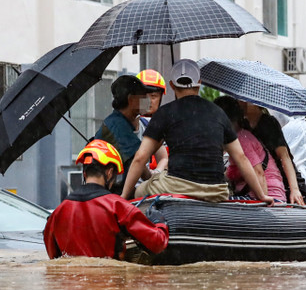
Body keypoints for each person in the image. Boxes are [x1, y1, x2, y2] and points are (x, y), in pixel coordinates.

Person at [121, 59, 273, 204]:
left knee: (140, 189)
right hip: (216, 191)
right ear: (199, 83)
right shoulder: (218, 112)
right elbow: (241, 157)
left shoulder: (165, 113)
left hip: (178, 187)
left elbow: (140, 158)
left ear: (172, 85)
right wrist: (261, 195)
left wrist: (123, 196)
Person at [44, 139, 169, 259]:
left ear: (85, 174)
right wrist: (159, 222)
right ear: (109, 173)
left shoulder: (57, 213)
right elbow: (157, 244)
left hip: (70, 278)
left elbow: (53, 255)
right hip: (108, 279)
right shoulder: (118, 206)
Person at [214, 96, 286, 202]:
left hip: (271, 197)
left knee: (220, 202)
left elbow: (259, 173)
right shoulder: (239, 136)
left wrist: (263, 202)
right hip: (257, 196)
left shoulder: (241, 140)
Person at [239, 101, 306, 206]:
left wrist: (295, 190)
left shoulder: (269, 123)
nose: (239, 103)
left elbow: (284, 157)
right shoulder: (242, 125)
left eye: (243, 101)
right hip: (260, 185)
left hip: (284, 184)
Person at [93, 74, 151, 170]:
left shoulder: (120, 121)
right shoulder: (118, 126)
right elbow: (138, 161)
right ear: (131, 99)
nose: (147, 101)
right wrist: (153, 180)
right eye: (143, 97)